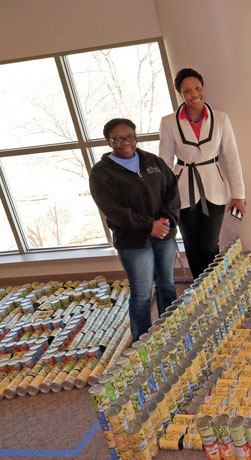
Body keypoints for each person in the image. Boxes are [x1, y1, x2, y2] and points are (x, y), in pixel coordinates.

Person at [89, 118, 180, 341]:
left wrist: (165, 223)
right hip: (132, 242)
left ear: (135, 137)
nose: (124, 142)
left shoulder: (153, 162)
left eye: (128, 137)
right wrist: (149, 226)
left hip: (164, 234)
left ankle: (171, 331)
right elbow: (114, 211)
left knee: (167, 285)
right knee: (141, 294)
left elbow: (172, 193)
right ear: (108, 142)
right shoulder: (101, 173)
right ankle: (142, 341)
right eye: (117, 139)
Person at [159, 68, 246, 279]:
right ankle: (201, 292)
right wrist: (163, 202)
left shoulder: (221, 118)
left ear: (203, 88)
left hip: (214, 189)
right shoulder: (169, 122)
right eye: (187, 91)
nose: (194, 94)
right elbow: (164, 163)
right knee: (191, 244)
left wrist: (238, 195)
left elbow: (232, 158)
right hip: (182, 191)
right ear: (181, 94)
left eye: (197, 88)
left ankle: (215, 287)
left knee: (208, 244)